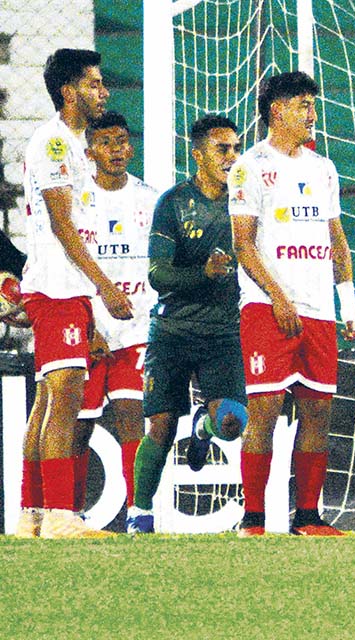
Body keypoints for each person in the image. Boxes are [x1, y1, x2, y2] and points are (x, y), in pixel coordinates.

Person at [231, 71, 355, 537]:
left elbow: (336, 239)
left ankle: (307, 516)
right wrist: (277, 295)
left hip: (319, 310)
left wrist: (347, 302)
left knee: (317, 412)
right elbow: (243, 245)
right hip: (267, 308)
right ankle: (253, 518)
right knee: (264, 409)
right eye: (303, 104)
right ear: (276, 109)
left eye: (312, 104)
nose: (312, 114)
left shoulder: (322, 167)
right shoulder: (249, 166)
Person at [17, 48, 120, 539]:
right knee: (64, 402)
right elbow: (62, 226)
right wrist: (106, 287)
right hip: (58, 290)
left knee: (46, 402)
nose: (104, 92)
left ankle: (32, 514)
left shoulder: (73, 145)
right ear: (69, 92)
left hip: (62, 290)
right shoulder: (55, 143)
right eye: (94, 84)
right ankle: (60, 514)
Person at [128, 114, 248, 534]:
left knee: (231, 424)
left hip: (223, 331)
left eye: (235, 148)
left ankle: (205, 427)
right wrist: (204, 274)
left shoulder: (247, 200)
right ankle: (139, 514)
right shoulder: (174, 203)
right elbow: (157, 275)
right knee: (160, 426)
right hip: (173, 330)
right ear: (197, 155)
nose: (232, 157)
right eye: (222, 149)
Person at [68, 112, 159, 522]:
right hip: (86, 328)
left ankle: (139, 513)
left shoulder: (150, 199)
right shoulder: (74, 201)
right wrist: (87, 327)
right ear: (89, 153)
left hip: (135, 330)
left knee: (131, 420)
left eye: (122, 140)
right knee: (78, 428)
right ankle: (67, 514)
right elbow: (65, 268)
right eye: (105, 142)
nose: (116, 149)